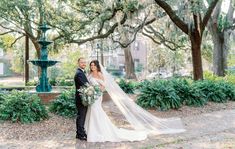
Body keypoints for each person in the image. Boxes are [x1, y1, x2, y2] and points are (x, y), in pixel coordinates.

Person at [74, 57, 89, 141]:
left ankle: (78, 133)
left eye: (84, 62)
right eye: (82, 62)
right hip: (81, 99)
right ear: (78, 63)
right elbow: (86, 85)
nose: (83, 64)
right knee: (81, 116)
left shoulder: (82, 72)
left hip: (82, 98)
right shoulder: (79, 73)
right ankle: (80, 135)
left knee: (81, 116)